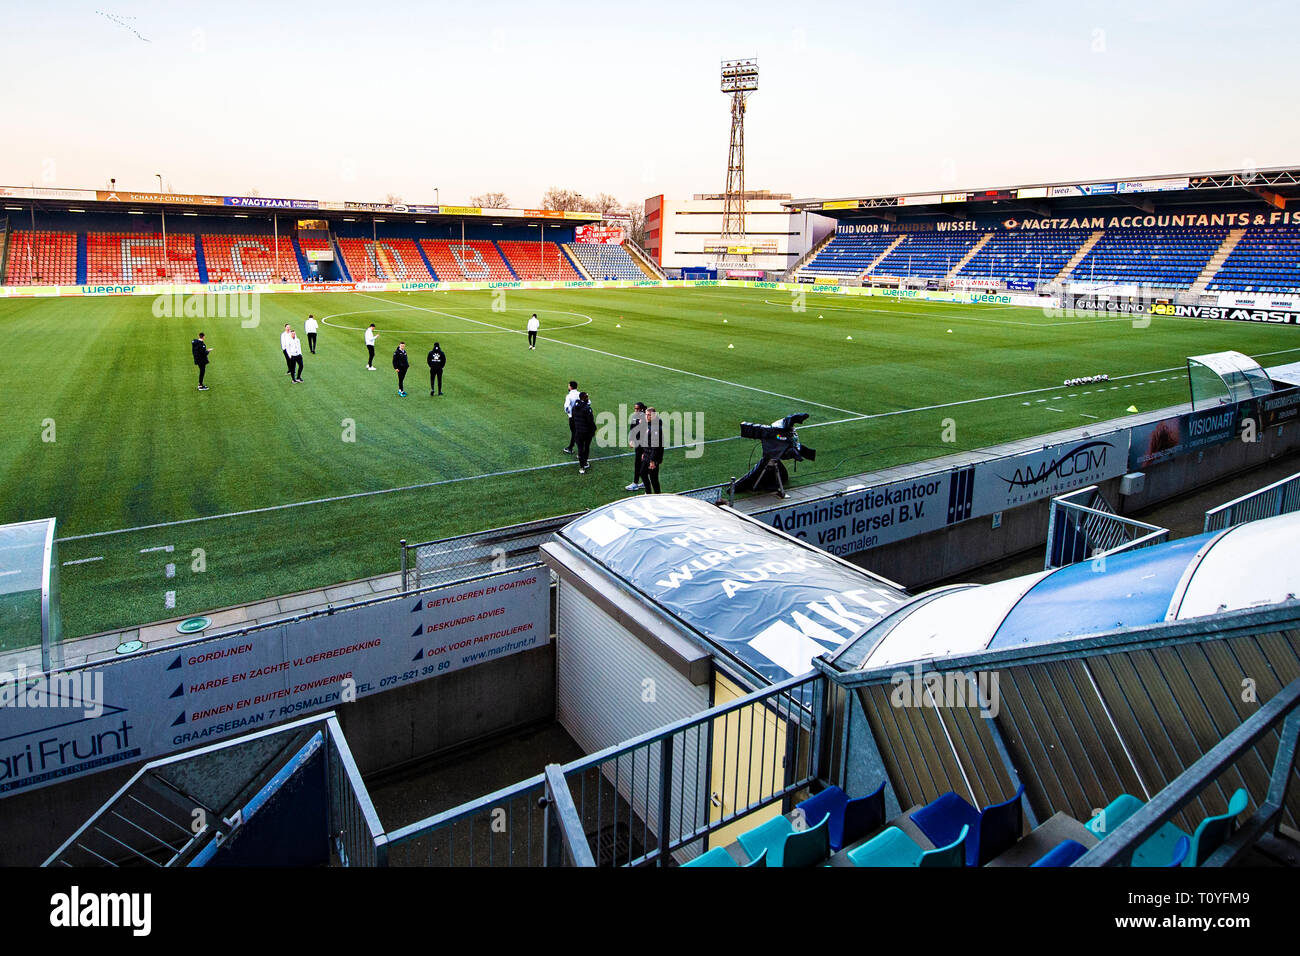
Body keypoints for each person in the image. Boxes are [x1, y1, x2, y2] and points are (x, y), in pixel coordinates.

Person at [640, 406, 665, 494]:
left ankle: (658, 495)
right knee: (643, 473)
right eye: (646, 415)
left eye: (649, 415)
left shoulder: (656, 428)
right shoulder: (650, 424)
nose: (647, 417)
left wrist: (652, 460)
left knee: (654, 479)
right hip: (647, 454)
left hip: (652, 457)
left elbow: (655, 446)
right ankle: (648, 493)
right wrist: (644, 452)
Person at [572, 391, 597, 474]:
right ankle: (585, 463)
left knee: (580, 448)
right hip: (586, 432)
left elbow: (573, 419)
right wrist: (594, 429)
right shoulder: (587, 408)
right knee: (586, 448)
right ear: (585, 398)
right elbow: (590, 421)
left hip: (578, 432)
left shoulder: (574, 407)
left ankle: (581, 467)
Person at [625, 401, 647, 491]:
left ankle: (635, 483)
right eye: (635, 409)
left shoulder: (646, 418)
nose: (636, 410)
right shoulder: (635, 417)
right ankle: (643, 482)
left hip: (645, 445)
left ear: (642, 409)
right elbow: (632, 429)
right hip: (638, 444)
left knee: (640, 464)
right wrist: (631, 440)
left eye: (638, 409)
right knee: (638, 463)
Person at [562, 380, 580, 454]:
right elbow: (588, 402)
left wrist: (568, 412)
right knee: (576, 432)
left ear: (571, 387)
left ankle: (572, 448)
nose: (568, 387)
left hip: (572, 417)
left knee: (575, 432)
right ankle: (571, 447)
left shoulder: (569, 396)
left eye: (568, 385)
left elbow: (566, 406)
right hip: (580, 417)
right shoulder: (580, 394)